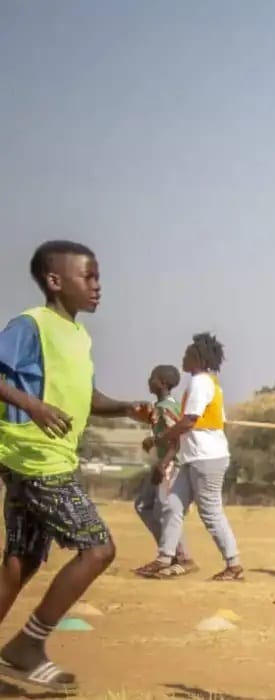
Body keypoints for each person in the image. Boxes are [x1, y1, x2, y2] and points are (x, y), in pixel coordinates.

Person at [0, 240, 151, 693]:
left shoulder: (78, 335)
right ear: (55, 280)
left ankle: (18, 651)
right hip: (36, 459)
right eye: (89, 276)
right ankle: (27, 646)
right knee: (98, 548)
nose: (98, 286)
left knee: (20, 561)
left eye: (98, 277)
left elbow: (84, 396)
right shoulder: (32, 325)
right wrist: (32, 404)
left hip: (43, 459)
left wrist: (124, 406)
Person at [142, 333, 244, 581]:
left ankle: (233, 564)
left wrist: (158, 439)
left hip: (206, 458)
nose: (183, 358)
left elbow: (189, 422)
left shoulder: (200, 382)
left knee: (210, 512)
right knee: (173, 506)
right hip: (194, 458)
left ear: (197, 357)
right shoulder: (207, 382)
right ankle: (165, 558)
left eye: (187, 354)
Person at [131, 364, 193, 577]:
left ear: (163, 383)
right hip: (165, 462)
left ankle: (179, 557)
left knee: (168, 509)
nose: (149, 381)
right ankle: (173, 552)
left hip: (171, 464)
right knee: (143, 505)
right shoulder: (162, 406)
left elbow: (176, 438)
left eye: (153, 378)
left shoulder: (166, 408)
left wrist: (163, 463)